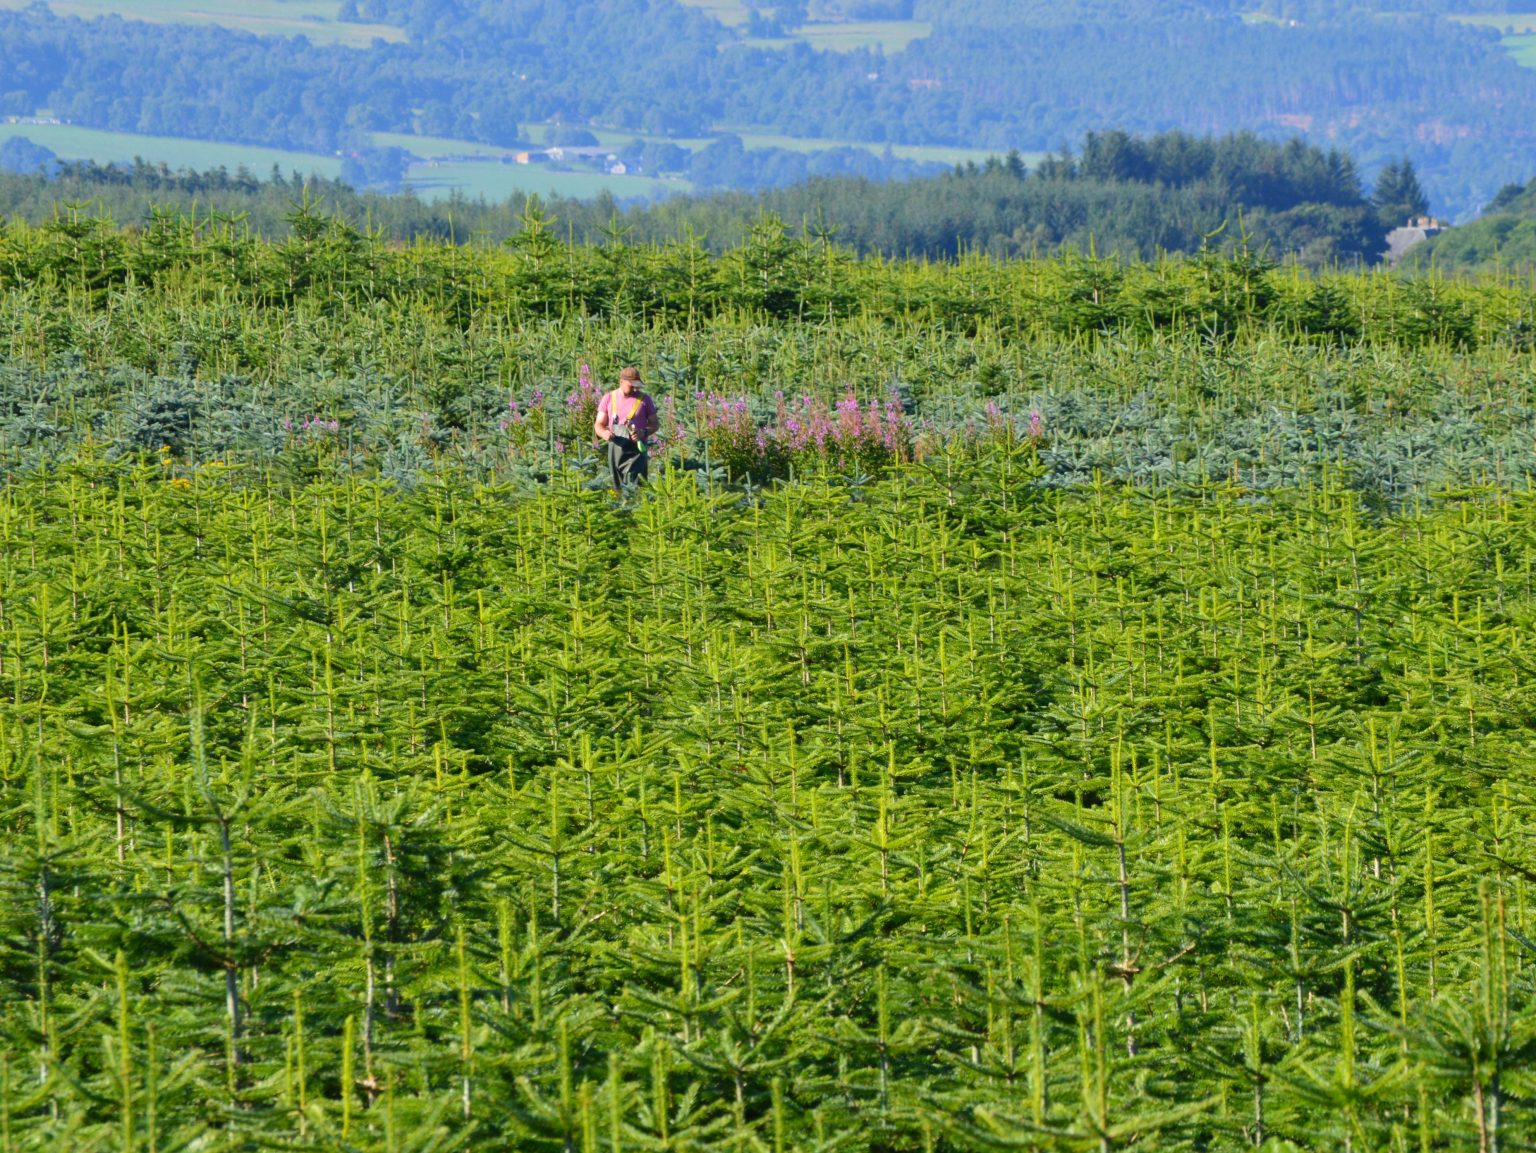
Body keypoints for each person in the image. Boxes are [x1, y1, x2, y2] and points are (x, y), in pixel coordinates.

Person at [594, 366, 659, 492]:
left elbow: (655, 424)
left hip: (637, 452)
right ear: (621, 382)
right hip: (616, 451)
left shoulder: (644, 399)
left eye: (637, 386)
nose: (635, 388)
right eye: (631, 385)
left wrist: (643, 432)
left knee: (636, 488)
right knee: (617, 488)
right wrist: (604, 433)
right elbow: (598, 424)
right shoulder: (609, 398)